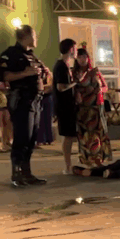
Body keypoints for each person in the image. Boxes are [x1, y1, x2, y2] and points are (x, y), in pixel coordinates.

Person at [0, 25, 50, 187]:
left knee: (31, 138)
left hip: (35, 101)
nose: (36, 38)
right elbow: (4, 76)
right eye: (34, 35)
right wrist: (26, 73)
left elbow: (38, 72)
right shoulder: (11, 54)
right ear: (26, 36)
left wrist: (44, 72)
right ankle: (16, 174)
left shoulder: (31, 55)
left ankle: (27, 173)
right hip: (22, 101)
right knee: (22, 137)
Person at [73, 45, 112, 166]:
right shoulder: (75, 73)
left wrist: (100, 90)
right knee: (87, 134)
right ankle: (88, 159)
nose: (82, 59)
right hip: (84, 108)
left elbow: (105, 87)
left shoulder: (95, 71)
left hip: (97, 106)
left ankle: (99, 158)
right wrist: (86, 90)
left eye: (84, 56)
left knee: (99, 133)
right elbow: (74, 89)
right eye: (79, 57)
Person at [53, 38, 78, 175]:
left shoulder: (65, 65)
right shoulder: (61, 66)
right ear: (70, 49)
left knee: (69, 136)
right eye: (75, 48)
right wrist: (76, 83)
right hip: (64, 106)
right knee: (67, 136)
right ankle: (68, 166)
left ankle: (68, 165)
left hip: (67, 105)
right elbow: (61, 87)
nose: (76, 51)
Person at [36, 62, 54, 146]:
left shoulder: (48, 74)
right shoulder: (42, 74)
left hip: (46, 97)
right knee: (42, 119)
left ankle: (47, 138)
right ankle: (44, 139)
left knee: (46, 119)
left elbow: (50, 86)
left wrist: (42, 88)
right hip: (43, 97)